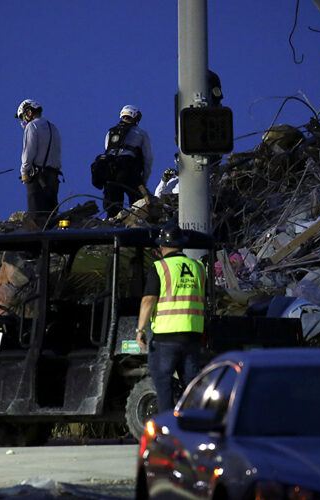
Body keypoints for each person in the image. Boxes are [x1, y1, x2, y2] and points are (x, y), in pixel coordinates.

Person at [136, 223, 206, 412]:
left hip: (166, 336)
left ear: (162, 246)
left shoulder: (160, 267)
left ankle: (166, 429)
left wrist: (140, 329)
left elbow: (148, 300)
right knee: (192, 385)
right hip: (192, 335)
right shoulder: (198, 268)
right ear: (181, 245)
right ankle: (197, 423)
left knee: (163, 383)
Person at [102, 105, 152, 218]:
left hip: (110, 173)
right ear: (135, 117)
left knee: (112, 209)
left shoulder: (110, 132)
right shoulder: (140, 133)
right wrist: (143, 181)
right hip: (129, 171)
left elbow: (107, 150)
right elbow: (148, 159)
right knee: (139, 205)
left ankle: (111, 227)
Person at [17, 99, 62, 226]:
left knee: (37, 219)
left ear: (29, 112)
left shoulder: (32, 126)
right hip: (53, 178)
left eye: (23, 117)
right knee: (51, 217)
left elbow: (28, 152)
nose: (23, 121)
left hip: (37, 179)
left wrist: (24, 171)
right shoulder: (53, 127)